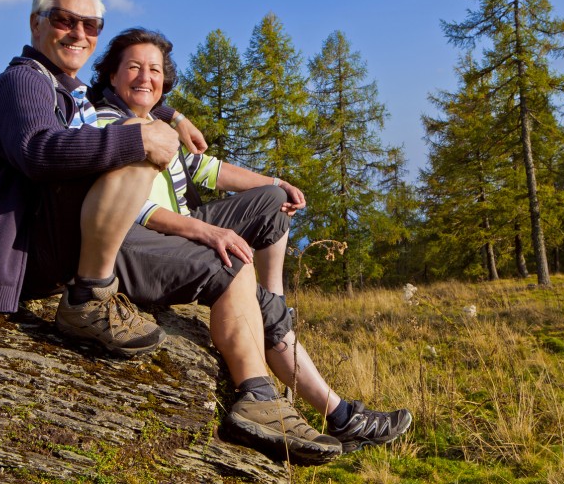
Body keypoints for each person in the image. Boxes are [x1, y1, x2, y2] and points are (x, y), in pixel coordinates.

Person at [0, 0, 343, 466]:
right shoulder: (23, 81)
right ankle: (92, 297)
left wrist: (171, 118)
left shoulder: (67, 91)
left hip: (65, 238)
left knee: (230, 259)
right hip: (29, 251)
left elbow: (134, 99)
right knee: (146, 149)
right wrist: (143, 140)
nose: (78, 33)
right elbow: (36, 152)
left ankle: (260, 388)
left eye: (90, 24)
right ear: (35, 23)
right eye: (63, 20)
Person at [88, 27, 413, 456]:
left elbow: (210, 171)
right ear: (112, 75)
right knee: (234, 267)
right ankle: (333, 413)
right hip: (140, 241)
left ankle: (276, 304)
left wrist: (277, 182)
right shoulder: (108, 124)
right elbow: (129, 210)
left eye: (154, 70)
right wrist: (205, 230)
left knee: (274, 201)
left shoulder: (158, 123)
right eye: (133, 67)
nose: (145, 77)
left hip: (180, 226)